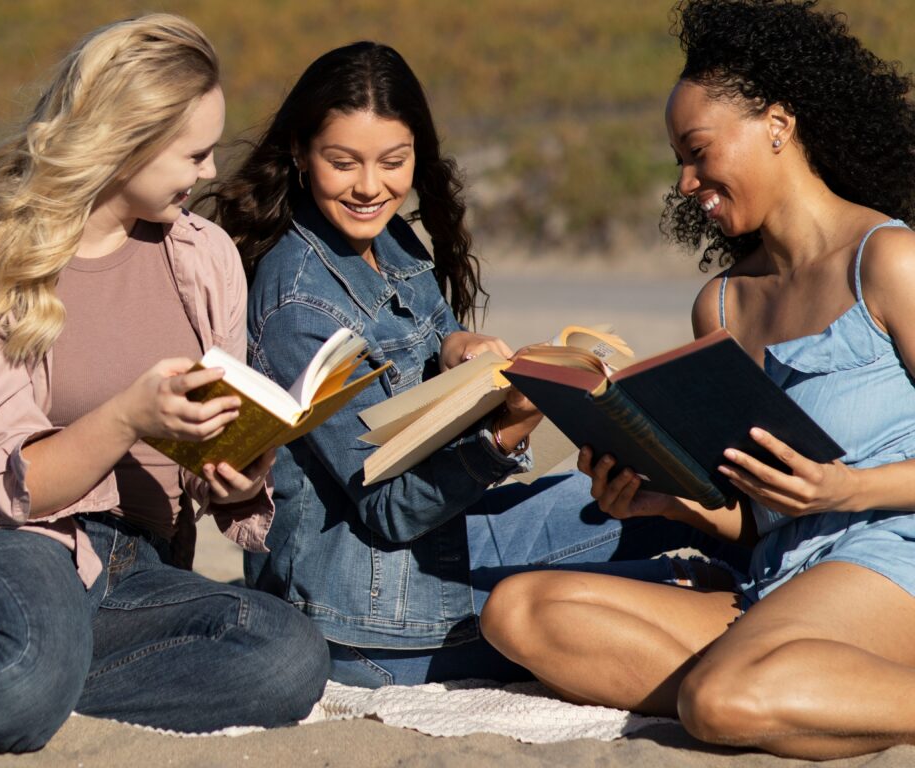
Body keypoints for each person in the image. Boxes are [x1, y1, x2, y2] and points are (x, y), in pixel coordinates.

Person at [203, 41, 750, 688]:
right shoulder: (298, 304)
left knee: (676, 481)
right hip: (372, 608)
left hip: (454, 536)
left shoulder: (387, 237)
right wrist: (506, 431)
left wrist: (456, 345)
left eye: (393, 162)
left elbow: (434, 339)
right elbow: (389, 509)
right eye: (342, 163)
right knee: (687, 589)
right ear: (299, 153)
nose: (370, 186)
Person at [480, 0, 915, 759]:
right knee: (518, 612)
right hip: (779, 576)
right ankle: (800, 688)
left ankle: (766, 688)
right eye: (678, 160)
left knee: (719, 700)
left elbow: (839, 496)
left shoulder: (889, 261)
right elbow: (753, 519)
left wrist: (848, 491)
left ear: (778, 125)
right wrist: (664, 499)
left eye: (698, 151)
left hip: (891, 557)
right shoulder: (721, 306)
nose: (685, 181)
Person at [0, 14, 329, 753]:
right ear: (125, 142)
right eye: (194, 153)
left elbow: (210, 444)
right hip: (6, 541)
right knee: (23, 675)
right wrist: (127, 416)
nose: (210, 173)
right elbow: (6, 490)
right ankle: (25, 670)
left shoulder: (205, 256)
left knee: (286, 656)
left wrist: (237, 476)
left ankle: (31, 670)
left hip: (137, 564)